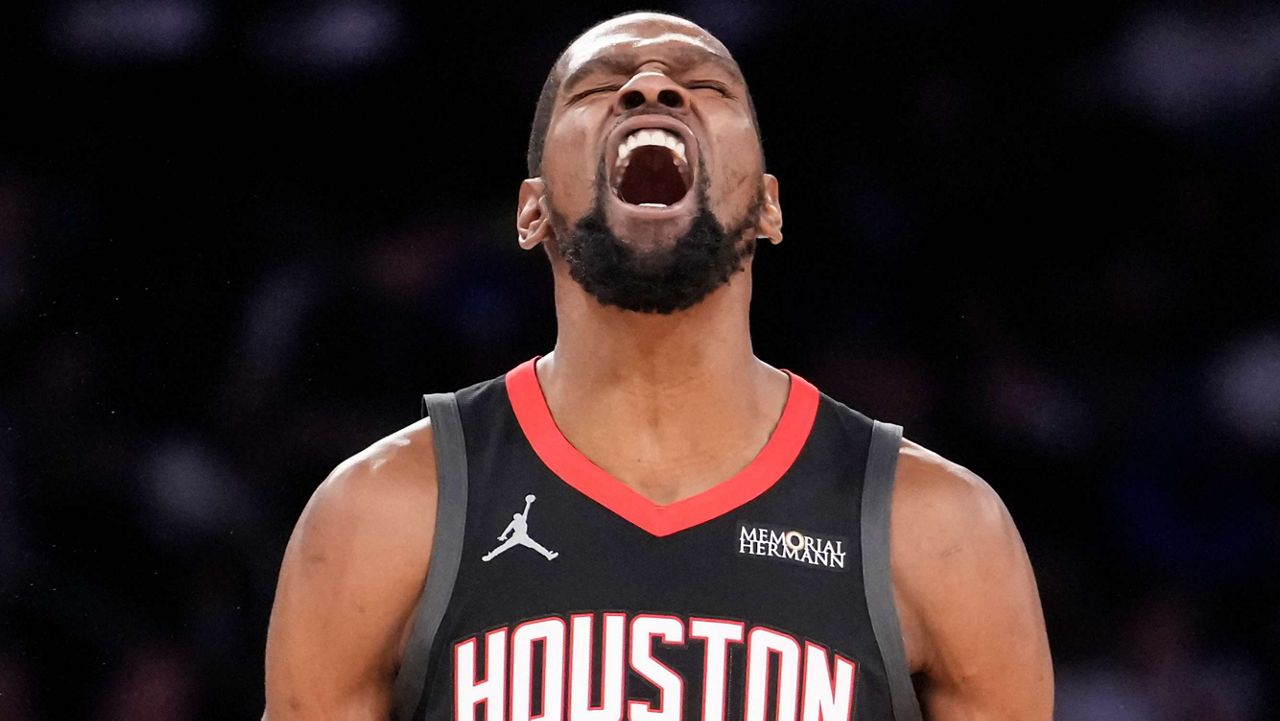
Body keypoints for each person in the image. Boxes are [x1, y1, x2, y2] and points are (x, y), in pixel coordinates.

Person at [262, 10, 1053, 721]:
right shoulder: (384, 512)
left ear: (771, 205)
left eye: (704, 84)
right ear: (531, 210)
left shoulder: (939, 530)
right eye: (598, 87)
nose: (650, 86)